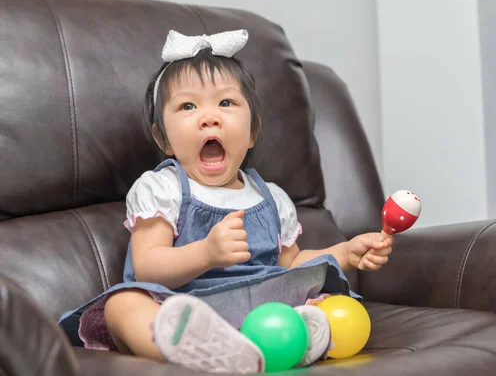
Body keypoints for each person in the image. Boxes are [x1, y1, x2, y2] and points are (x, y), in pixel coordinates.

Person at [58, 29, 393, 374]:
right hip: (188, 312)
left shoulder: (272, 198)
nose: (209, 117)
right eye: (188, 106)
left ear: (251, 133)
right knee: (122, 305)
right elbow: (147, 266)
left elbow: (291, 264)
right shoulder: (163, 189)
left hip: (265, 311)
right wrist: (205, 253)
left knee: (331, 303)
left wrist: (343, 253)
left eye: (226, 103)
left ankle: (293, 337)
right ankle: (193, 352)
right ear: (164, 139)